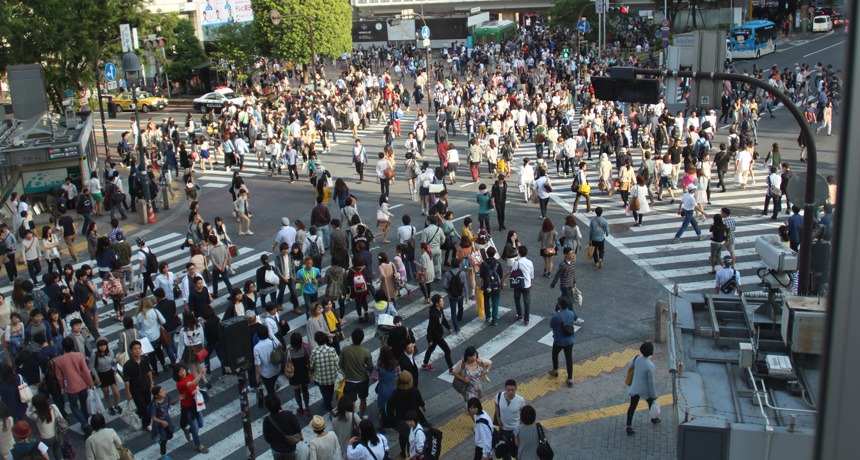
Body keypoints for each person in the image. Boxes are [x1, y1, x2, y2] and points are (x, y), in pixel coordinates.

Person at [54, 336, 93, 435]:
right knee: (84, 404)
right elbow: (85, 371)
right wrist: (90, 383)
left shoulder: (59, 360)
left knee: (74, 407)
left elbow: (59, 377)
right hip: (82, 384)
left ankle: (84, 424)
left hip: (71, 387)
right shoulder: (79, 355)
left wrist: (62, 387)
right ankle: (86, 422)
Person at [172, 363, 209, 453]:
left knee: (200, 423)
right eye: (180, 372)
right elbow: (193, 383)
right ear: (177, 374)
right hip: (187, 407)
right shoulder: (180, 384)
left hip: (196, 404)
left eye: (183, 371)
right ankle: (199, 445)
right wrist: (201, 373)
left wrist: (196, 390)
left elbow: (195, 385)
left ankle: (188, 431)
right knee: (195, 427)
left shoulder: (191, 375)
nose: (182, 373)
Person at [625, 342, 660, 435]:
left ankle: (629, 426)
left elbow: (630, 367)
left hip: (635, 386)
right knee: (651, 403)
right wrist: (654, 394)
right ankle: (654, 418)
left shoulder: (636, 358)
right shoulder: (650, 365)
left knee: (632, 406)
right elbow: (651, 382)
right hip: (645, 389)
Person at [340, 328, 374, 418]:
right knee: (363, 399)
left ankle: (352, 417)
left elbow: (341, 364)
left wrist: (345, 373)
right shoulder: (365, 352)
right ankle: (361, 416)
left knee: (351, 400)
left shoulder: (345, 350)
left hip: (350, 380)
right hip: (362, 380)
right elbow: (370, 367)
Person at [123, 340, 153, 432]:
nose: (137, 350)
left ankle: (145, 423)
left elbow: (148, 371)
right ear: (131, 351)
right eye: (135, 349)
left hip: (146, 386)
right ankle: (144, 422)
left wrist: (151, 382)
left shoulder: (145, 359)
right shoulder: (127, 365)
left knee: (148, 406)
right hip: (135, 390)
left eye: (139, 348)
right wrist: (128, 393)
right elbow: (127, 381)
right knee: (143, 408)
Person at [263, 393, 303, 460]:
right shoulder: (289, 415)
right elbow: (297, 429)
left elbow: (267, 438)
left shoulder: (267, 420)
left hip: (276, 449)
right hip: (290, 448)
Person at [89, 337, 122, 416]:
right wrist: (96, 377)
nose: (103, 347)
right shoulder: (95, 355)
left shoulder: (110, 352)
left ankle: (117, 405)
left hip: (110, 373)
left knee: (116, 392)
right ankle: (110, 407)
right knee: (106, 393)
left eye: (104, 345)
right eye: (100, 346)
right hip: (101, 375)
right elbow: (91, 367)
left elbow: (112, 362)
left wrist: (116, 361)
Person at [494, 380, 526, 460]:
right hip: (503, 430)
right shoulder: (499, 396)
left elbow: (523, 413)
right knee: (505, 454)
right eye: (508, 390)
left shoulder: (520, 400)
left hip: (516, 431)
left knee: (517, 452)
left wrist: (521, 427)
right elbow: (496, 406)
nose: (511, 392)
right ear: (505, 389)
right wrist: (498, 418)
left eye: (513, 390)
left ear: (516, 389)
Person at [310, 331, 339, 418]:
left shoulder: (314, 352)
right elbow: (337, 363)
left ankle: (330, 410)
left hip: (321, 379)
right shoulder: (332, 350)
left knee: (324, 394)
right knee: (330, 392)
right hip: (331, 377)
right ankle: (328, 402)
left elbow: (311, 366)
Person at [548, 297, 577, 386]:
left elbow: (551, 325)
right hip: (569, 340)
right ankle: (570, 378)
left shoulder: (557, 316)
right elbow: (574, 319)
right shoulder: (571, 313)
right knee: (569, 358)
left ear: (559, 305)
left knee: (555, 354)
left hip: (559, 340)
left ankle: (555, 370)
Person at [26, 394, 63, 460]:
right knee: (58, 452)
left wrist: (31, 403)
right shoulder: (53, 407)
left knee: (46, 455)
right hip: (57, 434)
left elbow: (27, 412)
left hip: (46, 438)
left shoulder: (37, 416)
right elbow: (61, 418)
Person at [423, 294, 454, 372]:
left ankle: (425, 364)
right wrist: (429, 339)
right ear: (437, 303)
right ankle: (451, 368)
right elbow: (430, 327)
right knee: (447, 350)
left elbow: (443, 319)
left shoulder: (440, 309)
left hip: (437, 334)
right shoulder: (434, 315)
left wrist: (448, 327)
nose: (443, 302)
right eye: (441, 301)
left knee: (431, 349)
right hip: (437, 336)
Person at [478, 247, 504, 325]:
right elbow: (501, 276)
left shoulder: (483, 264)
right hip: (496, 286)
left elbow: (481, 277)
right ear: (494, 254)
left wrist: (480, 286)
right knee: (495, 302)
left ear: (487, 254)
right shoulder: (497, 263)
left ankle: (488, 316)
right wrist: (501, 284)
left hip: (487, 286)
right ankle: (495, 319)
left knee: (486, 300)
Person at [442, 261, 468, 333]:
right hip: (460, 294)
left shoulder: (448, 273)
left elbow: (444, 285)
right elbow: (465, 285)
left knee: (453, 311)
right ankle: (459, 317)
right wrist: (467, 296)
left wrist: (449, 288)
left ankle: (457, 329)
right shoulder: (462, 273)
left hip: (452, 295)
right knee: (460, 306)